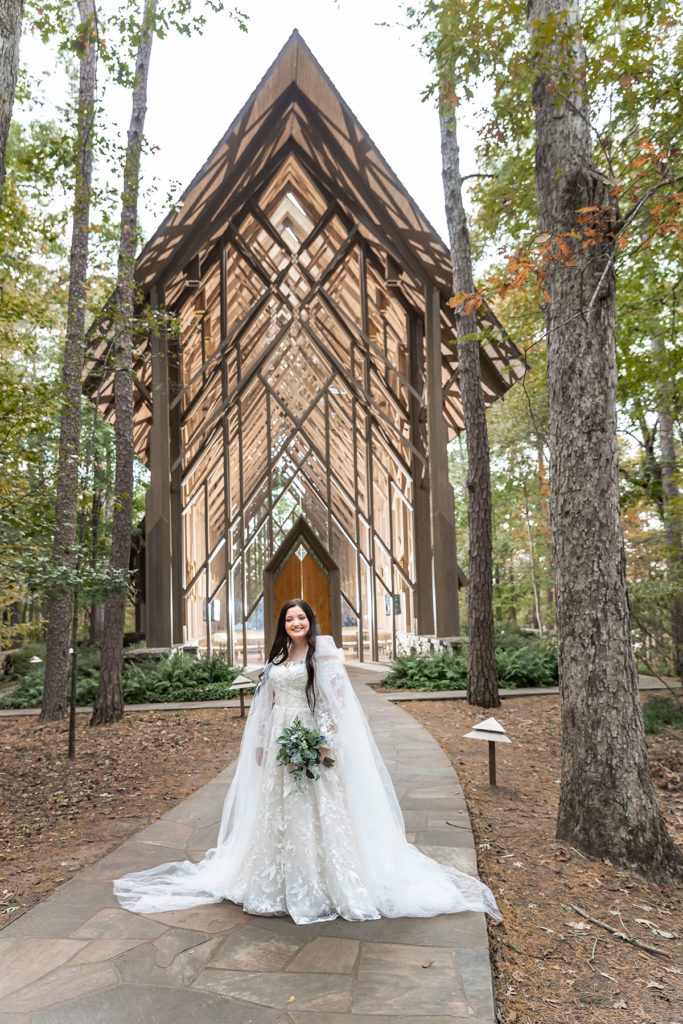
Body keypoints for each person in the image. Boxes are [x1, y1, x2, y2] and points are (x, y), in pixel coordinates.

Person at [113, 599, 501, 925]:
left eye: (301, 618)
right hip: (280, 735)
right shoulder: (280, 654)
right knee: (277, 805)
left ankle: (321, 880)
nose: (296, 623)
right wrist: (262, 741)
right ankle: (273, 879)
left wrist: (325, 744)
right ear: (283, 625)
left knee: (315, 805)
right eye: (289, 619)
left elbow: (336, 704)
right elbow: (269, 702)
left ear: (310, 621)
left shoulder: (324, 653)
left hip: (310, 736)